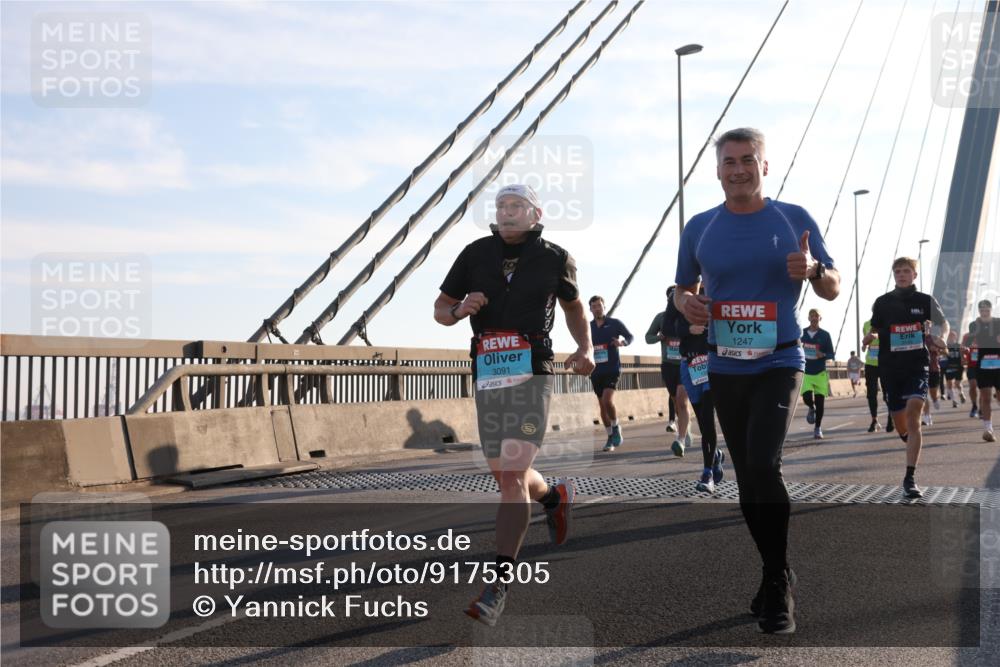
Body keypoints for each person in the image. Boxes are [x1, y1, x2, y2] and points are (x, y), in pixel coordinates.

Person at [676, 127, 840, 634]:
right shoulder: (700, 226)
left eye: (749, 160)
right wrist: (686, 302)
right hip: (725, 364)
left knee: (764, 464)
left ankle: (776, 581)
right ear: (718, 170)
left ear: (765, 166)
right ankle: (777, 572)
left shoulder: (794, 218)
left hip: (780, 361)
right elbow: (682, 288)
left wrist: (813, 270)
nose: (739, 169)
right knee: (747, 476)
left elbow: (832, 287)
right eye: (730, 161)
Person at [434, 183, 594, 626]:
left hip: (533, 372)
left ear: (534, 213)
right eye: (501, 206)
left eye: (516, 206)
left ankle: (498, 585)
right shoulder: (474, 254)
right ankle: (554, 495)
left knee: (510, 475)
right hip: (488, 374)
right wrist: (460, 309)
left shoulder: (555, 257)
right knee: (508, 475)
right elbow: (440, 309)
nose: (506, 212)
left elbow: (574, 306)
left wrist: (586, 348)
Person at [862, 257, 948, 499]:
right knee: (902, 424)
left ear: (914, 275)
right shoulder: (882, 302)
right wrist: (869, 336)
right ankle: (909, 440)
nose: (901, 274)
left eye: (906, 271)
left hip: (916, 366)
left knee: (914, 413)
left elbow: (944, 323)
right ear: (894, 275)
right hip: (889, 368)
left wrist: (944, 338)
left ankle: (909, 477)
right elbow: (876, 327)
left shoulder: (925, 301)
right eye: (898, 271)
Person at [665, 287, 725, 492]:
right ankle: (715, 456)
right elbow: (666, 327)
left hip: (713, 362)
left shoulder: (717, 290)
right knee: (702, 420)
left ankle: (707, 472)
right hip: (689, 364)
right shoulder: (679, 297)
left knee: (708, 418)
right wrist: (687, 329)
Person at [646, 288, 693, 455]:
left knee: (682, 400)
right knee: (675, 400)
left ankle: (680, 439)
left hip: (685, 363)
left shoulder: (688, 316)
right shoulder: (661, 318)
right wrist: (659, 337)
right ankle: (685, 429)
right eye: (671, 298)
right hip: (668, 365)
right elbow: (648, 337)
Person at [588, 295, 634, 451]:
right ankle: (609, 437)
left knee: (608, 400)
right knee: (602, 407)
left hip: (612, 369)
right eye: (594, 306)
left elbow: (630, 336)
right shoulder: (588, 327)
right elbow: (583, 345)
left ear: (604, 307)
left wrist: (623, 342)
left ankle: (616, 427)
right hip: (595, 371)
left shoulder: (614, 324)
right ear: (590, 309)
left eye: (599, 305)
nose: (597, 308)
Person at [799, 309, 835, 439]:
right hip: (806, 371)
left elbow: (832, 354)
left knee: (821, 403)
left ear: (820, 318)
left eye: (817, 316)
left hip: (820, 372)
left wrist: (824, 355)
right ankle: (811, 407)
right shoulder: (801, 334)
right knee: (807, 397)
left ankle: (818, 428)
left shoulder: (825, 335)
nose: (814, 318)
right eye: (812, 316)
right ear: (808, 318)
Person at [969, 300, 1000, 441]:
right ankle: (988, 429)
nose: (984, 312)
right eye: (982, 310)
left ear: (991, 310)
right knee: (986, 397)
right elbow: (972, 342)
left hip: (999, 365)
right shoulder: (974, 325)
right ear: (979, 311)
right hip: (983, 365)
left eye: (987, 310)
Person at [861, 320, 887, 432]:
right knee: (871, 394)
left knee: (887, 392)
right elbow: (866, 341)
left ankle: (892, 417)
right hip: (870, 363)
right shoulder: (866, 325)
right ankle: (874, 420)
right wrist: (864, 345)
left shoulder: (887, 322)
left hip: (885, 363)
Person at [943, 330, 966, 407]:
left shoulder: (959, 345)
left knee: (957, 384)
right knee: (949, 384)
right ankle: (954, 401)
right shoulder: (945, 346)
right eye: (949, 336)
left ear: (955, 337)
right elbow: (941, 355)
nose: (951, 338)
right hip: (949, 366)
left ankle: (961, 393)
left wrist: (964, 359)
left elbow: (963, 355)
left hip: (958, 366)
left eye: (952, 336)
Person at [963, 330, 980, 418]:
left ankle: (982, 409)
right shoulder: (967, 336)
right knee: (973, 386)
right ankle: (974, 405)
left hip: (983, 365)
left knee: (983, 388)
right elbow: (963, 348)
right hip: (971, 366)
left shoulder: (986, 335)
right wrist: (963, 356)